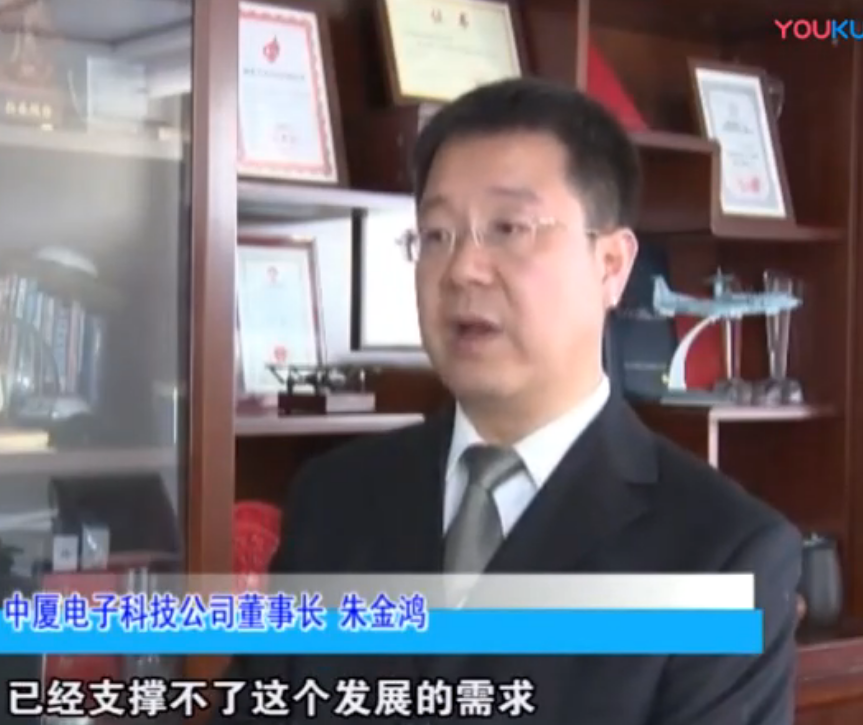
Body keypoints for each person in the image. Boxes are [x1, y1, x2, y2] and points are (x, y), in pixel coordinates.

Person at [214, 77, 802, 724]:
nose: (462, 268)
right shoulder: (333, 498)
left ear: (610, 263)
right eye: (436, 235)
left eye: (509, 227)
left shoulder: (723, 556)